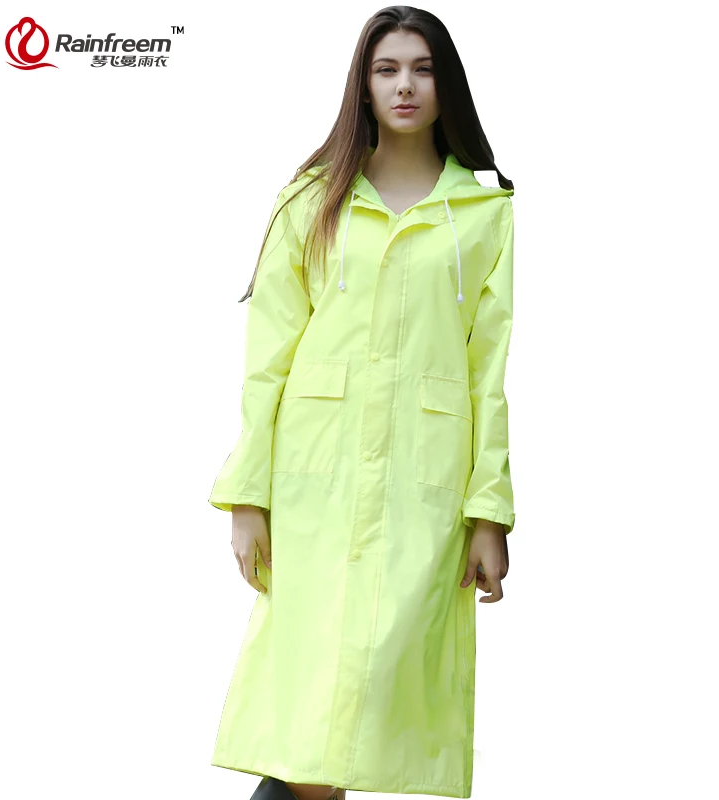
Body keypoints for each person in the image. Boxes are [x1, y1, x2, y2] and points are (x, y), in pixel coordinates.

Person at [208, 7, 515, 800]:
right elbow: (267, 359)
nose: (405, 85)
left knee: (365, 700)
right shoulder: (312, 199)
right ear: (364, 85)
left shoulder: (484, 213)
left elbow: (488, 368)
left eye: (423, 68)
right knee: (313, 710)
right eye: (387, 69)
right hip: (316, 481)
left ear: (446, 84)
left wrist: (489, 511)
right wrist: (247, 495)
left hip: (423, 485)